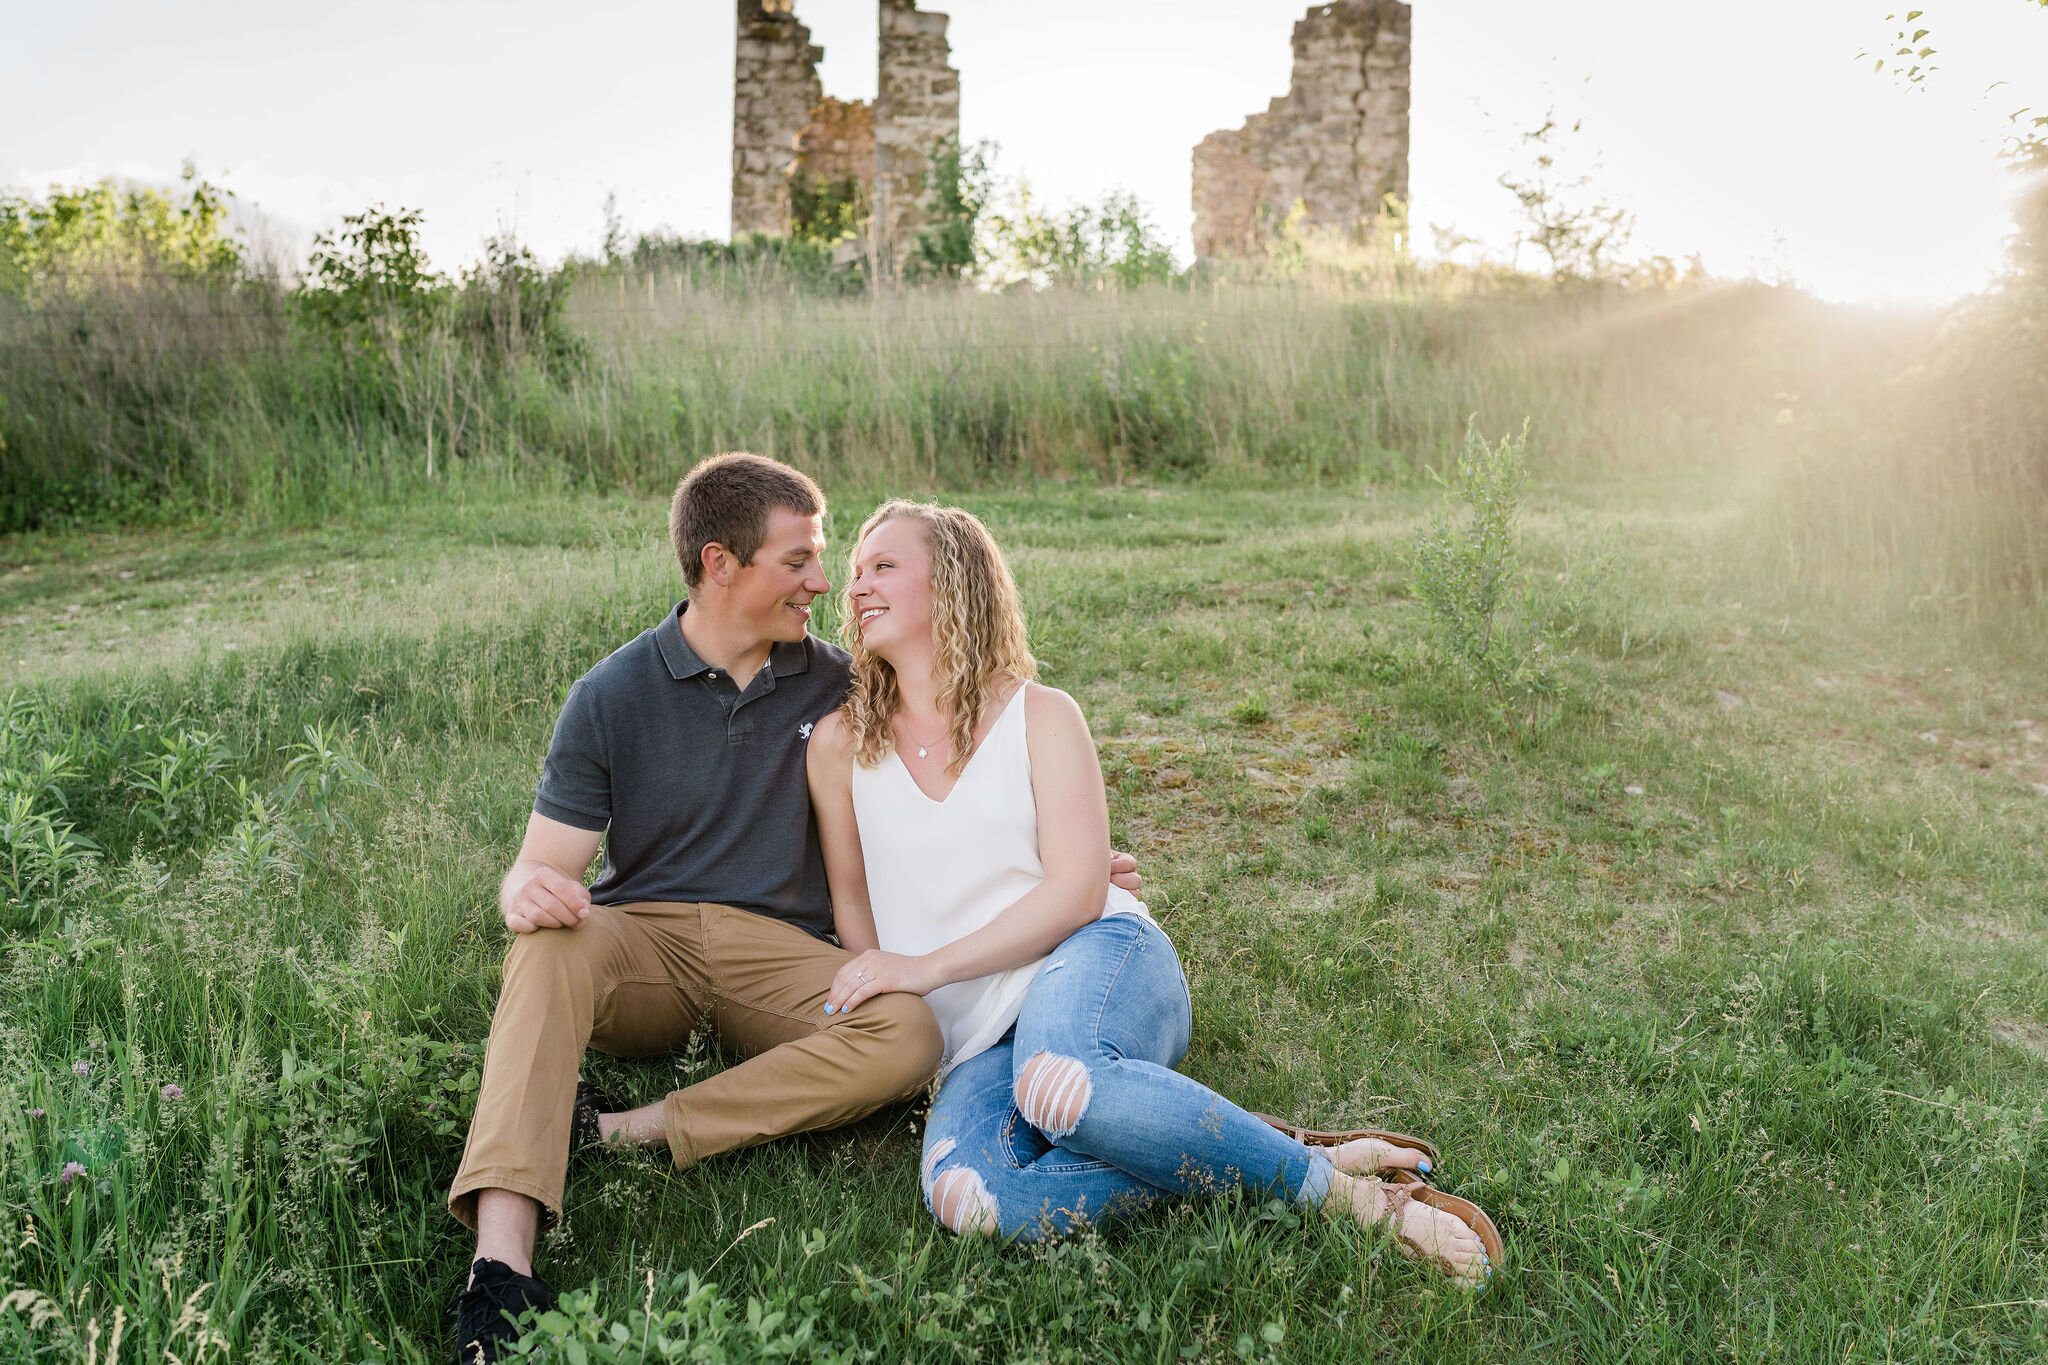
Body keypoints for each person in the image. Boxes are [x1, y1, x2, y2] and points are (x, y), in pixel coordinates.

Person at [446, 453, 1148, 1363]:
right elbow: (541, 865)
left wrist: (1063, 867)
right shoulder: (610, 696)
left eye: (834, 561)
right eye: (800, 561)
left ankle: (646, 1127)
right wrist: (519, 888)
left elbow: (963, 747)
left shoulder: (840, 684)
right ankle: (500, 1264)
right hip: (642, 945)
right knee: (544, 944)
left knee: (908, 1031)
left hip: (783, 954)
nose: (825, 582)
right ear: (719, 564)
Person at [805, 500, 1503, 1284]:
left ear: (954, 581)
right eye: (856, 569)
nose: (855, 584)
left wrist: (923, 967)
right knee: (978, 1199)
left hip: (1089, 955)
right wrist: (895, 1007)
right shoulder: (839, 744)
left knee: (1058, 1083)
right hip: (971, 1034)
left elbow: (1076, 892)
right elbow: (855, 908)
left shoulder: (1039, 714)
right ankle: (1255, 1146)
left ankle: (1359, 1201)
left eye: (883, 565)